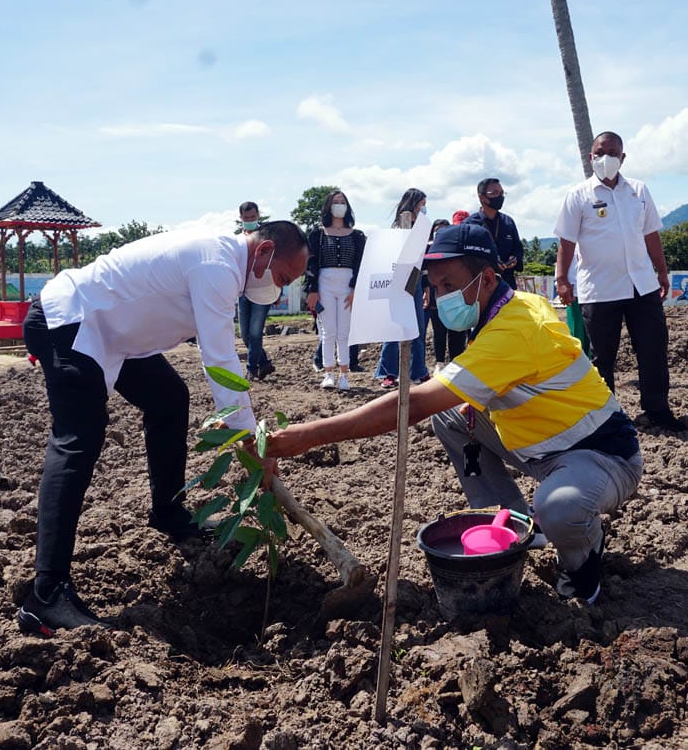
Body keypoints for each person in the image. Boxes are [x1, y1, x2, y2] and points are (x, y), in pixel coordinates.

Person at [270, 223, 642, 604]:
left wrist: (308, 435)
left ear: (485, 280)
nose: (440, 296)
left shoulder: (514, 332)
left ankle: (582, 563)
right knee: (452, 416)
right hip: (543, 447)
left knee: (559, 507)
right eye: (435, 287)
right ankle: (514, 522)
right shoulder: (510, 306)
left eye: (449, 286)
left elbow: (410, 405)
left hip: (601, 456)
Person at [17, 220, 308, 634]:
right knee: (78, 439)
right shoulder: (218, 266)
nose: (278, 292)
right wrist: (250, 443)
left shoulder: (223, 260)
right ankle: (45, 595)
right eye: (282, 277)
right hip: (71, 320)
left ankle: (168, 512)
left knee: (169, 398)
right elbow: (220, 361)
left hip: (113, 334)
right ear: (262, 252)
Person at [554, 131, 684, 431]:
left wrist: (661, 271)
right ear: (590, 157)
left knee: (653, 349)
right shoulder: (578, 196)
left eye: (613, 153)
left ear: (623, 158)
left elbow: (651, 233)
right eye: (600, 153)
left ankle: (657, 410)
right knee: (602, 357)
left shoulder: (638, 191)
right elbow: (566, 242)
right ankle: (605, 415)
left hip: (642, 285)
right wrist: (562, 279)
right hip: (599, 289)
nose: (605, 159)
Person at [305, 190, 367, 391]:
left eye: (342, 202)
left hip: (348, 285)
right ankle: (328, 373)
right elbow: (311, 262)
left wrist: (356, 288)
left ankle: (344, 375)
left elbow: (361, 264)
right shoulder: (318, 234)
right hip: (325, 284)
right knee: (328, 331)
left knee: (344, 332)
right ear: (328, 207)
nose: (339, 205)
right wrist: (312, 289)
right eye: (335, 202)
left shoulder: (357, 236)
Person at [375, 188, 430, 389]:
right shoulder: (398, 229)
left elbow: (422, 262)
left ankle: (418, 371)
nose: (424, 209)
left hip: (415, 279)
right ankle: (388, 372)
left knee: (418, 327)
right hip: (397, 279)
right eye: (422, 204)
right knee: (395, 326)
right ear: (412, 204)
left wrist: (425, 286)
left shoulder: (423, 230)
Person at [236, 202, 276, 381]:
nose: (250, 220)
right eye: (247, 218)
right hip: (243, 291)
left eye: (253, 217)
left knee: (255, 332)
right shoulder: (238, 240)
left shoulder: (267, 237)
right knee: (245, 335)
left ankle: (251, 370)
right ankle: (265, 363)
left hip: (263, 290)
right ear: (241, 218)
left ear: (258, 215)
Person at [423, 218, 467, 372]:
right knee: (439, 331)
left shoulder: (455, 250)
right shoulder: (427, 249)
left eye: (443, 230)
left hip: (455, 296)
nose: (439, 233)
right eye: (437, 230)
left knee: (457, 331)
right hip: (436, 297)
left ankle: (456, 363)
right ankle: (440, 363)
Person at [466, 178, 524, 289]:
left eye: (502, 193)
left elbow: (518, 249)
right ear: (482, 197)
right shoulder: (469, 225)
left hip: (507, 283)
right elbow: (466, 257)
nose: (500, 197)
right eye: (495, 193)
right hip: (481, 285)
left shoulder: (508, 222)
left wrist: (514, 259)